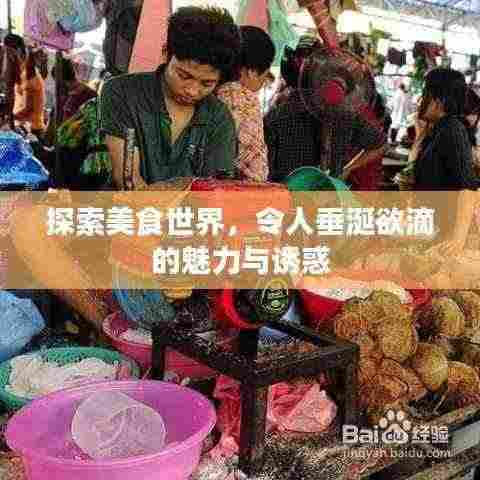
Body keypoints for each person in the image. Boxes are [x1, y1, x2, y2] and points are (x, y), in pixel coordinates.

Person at [101, 6, 240, 190]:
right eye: (184, 75)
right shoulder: (121, 92)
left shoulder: (219, 117)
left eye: (207, 83)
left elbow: (214, 191)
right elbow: (127, 180)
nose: (192, 91)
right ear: (166, 54)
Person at [265, 38, 386, 185]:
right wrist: (347, 170)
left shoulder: (276, 116)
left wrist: (347, 169)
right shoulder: (343, 114)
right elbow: (380, 144)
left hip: (285, 194)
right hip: (328, 193)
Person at [415, 68, 478, 258]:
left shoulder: (453, 129)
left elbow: (467, 188)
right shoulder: (438, 129)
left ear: (439, 100)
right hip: (431, 229)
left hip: (444, 237)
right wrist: (420, 132)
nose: (420, 100)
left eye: (425, 93)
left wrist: (457, 241)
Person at [216, 26, 275, 182]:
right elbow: (255, 170)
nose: (263, 82)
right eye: (265, 75)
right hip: (236, 190)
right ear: (252, 71)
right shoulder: (246, 101)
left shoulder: (212, 91)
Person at [13, 46, 47, 136]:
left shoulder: (30, 77)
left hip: (31, 129)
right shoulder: (24, 73)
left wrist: (9, 116)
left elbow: (27, 108)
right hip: (26, 125)